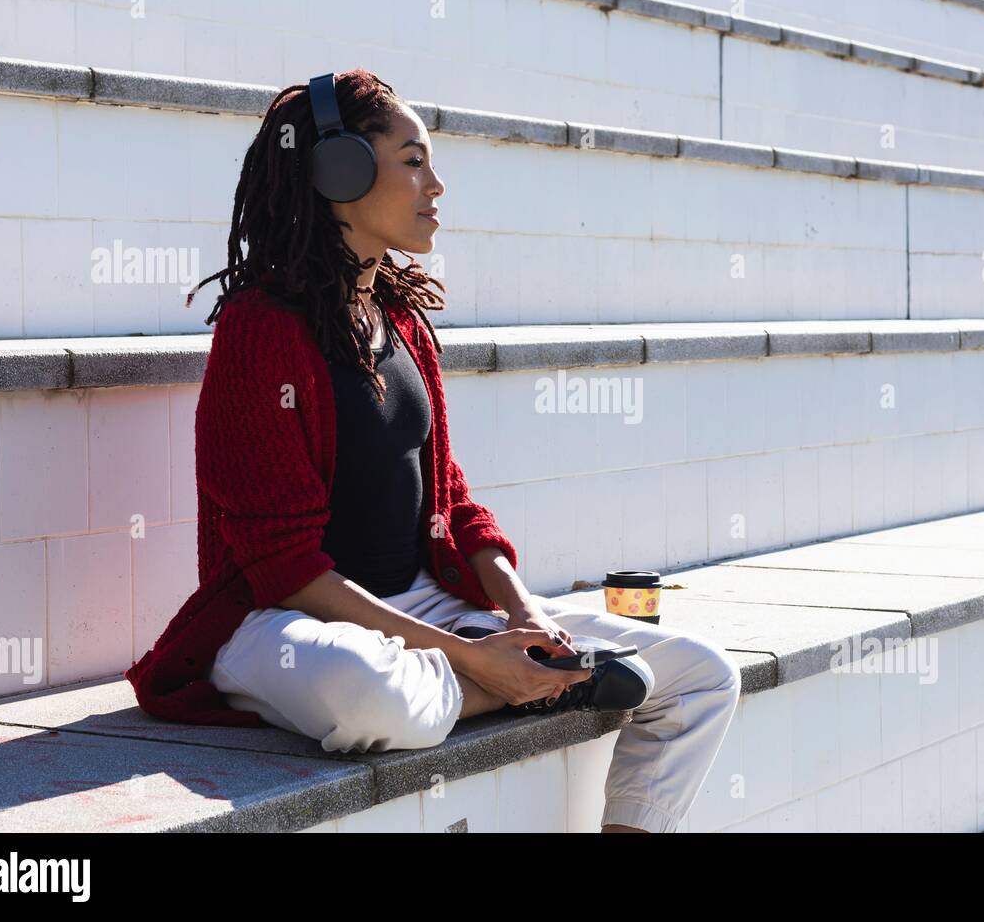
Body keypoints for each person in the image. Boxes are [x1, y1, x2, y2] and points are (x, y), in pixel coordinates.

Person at [126, 69, 742, 834]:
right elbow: (283, 568)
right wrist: (476, 655)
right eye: (413, 160)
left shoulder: (402, 321)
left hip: (420, 608)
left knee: (705, 676)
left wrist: (523, 618)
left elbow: (452, 502)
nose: (437, 185)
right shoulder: (261, 330)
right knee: (370, 696)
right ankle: (524, 681)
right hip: (278, 625)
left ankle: (528, 676)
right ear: (338, 170)